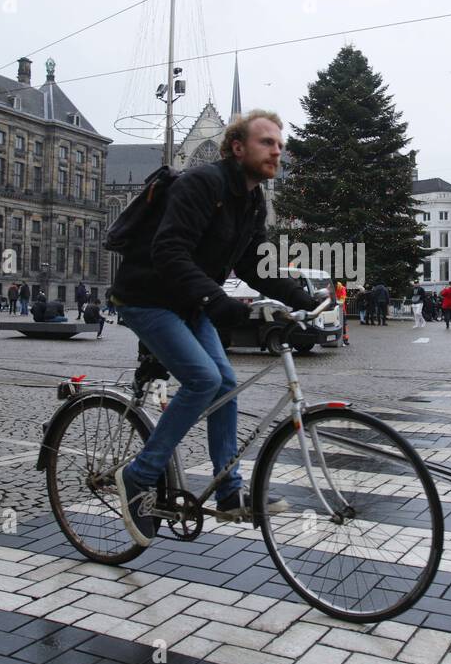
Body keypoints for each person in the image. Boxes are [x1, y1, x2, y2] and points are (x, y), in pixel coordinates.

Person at [108, 109, 319, 546]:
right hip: (145, 296)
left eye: (280, 144)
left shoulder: (252, 199)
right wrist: (216, 301)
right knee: (204, 379)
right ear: (237, 147)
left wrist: (303, 299)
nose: (277, 150)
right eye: (267, 142)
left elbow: (254, 264)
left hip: (186, 302)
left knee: (225, 383)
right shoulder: (201, 183)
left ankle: (228, 493)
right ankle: (138, 475)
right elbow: (169, 251)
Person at [334, 278, 350, 346]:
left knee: (343, 324)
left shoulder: (342, 288)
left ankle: (345, 339)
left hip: (341, 309)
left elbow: (342, 299)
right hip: (333, 308)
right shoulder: (330, 287)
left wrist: (335, 302)